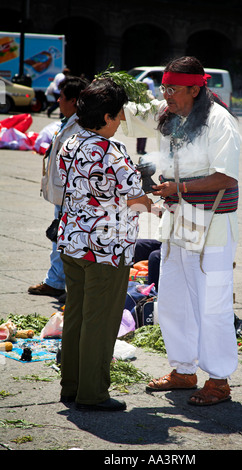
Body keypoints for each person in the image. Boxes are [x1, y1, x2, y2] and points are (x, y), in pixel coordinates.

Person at [122, 56, 241, 406]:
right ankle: (183, 370)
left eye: (173, 89)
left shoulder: (220, 121)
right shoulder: (169, 111)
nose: (166, 95)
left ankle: (218, 380)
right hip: (177, 222)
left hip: (213, 226)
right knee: (173, 302)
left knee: (212, 305)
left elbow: (225, 176)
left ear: (195, 87)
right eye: (164, 88)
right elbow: (126, 116)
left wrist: (180, 189)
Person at [56, 78, 152, 411]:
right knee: (101, 322)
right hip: (106, 251)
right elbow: (136, 201)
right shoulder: (112, 151)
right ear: (108, 116)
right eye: (120, 113)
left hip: (73, 242)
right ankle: (93, 394)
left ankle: (70, 386)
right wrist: (156, 199)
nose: (122, 119)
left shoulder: (70, 142)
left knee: (78, 317)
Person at [28, 76, 89, 299]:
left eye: (61, 97)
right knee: (59, 240)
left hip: (70, 196)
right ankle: (55, 282)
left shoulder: (80, 125)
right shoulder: (68, 121)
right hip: (62, 194)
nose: (58, 101)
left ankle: (58, 284)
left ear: (73, 101)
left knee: (63, 241)